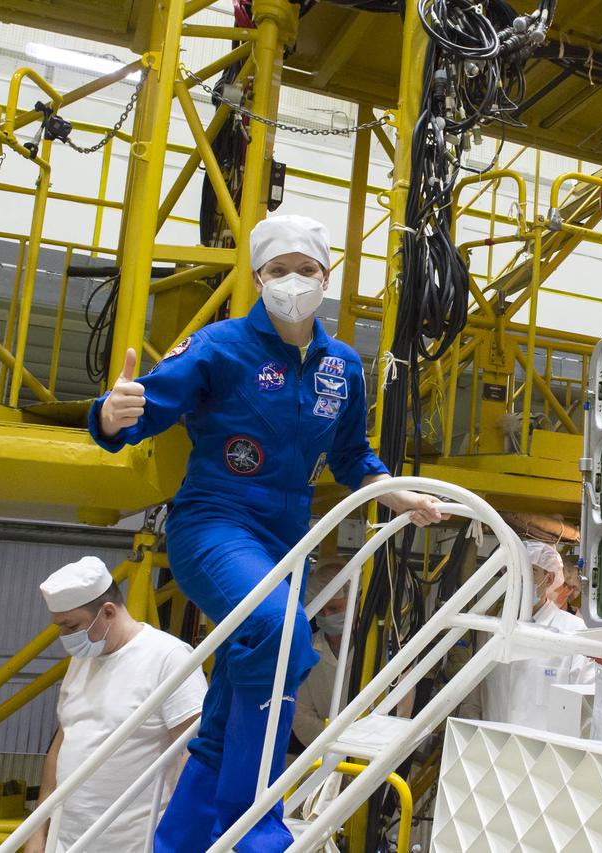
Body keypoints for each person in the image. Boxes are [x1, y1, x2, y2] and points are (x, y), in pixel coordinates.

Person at [88, 214, 444, 852]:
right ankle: (253, 823)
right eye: (278, 271)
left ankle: (182, 840)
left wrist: (392, 493)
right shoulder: (220, 346)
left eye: (305, 270)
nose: (293, 283)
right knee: (278, 634)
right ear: (258, 278)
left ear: (326, 276)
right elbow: (144, 407)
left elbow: (351, 457)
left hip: (289, 544)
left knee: (237, 691)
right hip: (213, 525)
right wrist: (111, 416)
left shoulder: (341, 367)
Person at [24, 557, 207, 853]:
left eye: (71, 626)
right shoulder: (83, 659)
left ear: (107, 611)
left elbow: (193, 753)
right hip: (66, 841)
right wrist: (37, 834)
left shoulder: (168, 657)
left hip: (133, 845)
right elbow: (61, 746)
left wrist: (180, 841)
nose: (65, 637)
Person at [479, 541, 595, 729]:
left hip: (546, 753)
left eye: (530, 572)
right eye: (512, 570)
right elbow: (475, 699)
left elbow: (588, 705)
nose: (518, 578)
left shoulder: (573, 631)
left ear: (549, 579)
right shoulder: (492, 628)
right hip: (493, 748)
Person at [292, 558, 353, 748]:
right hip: (319, 753)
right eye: (321, 609)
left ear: (355, 601)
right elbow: (300, 716)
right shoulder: (306, 649)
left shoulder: (380, 648)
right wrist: (337, 748)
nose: (327, 616)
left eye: (334, 608)